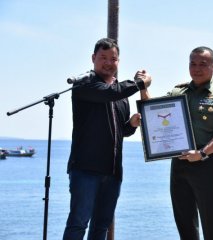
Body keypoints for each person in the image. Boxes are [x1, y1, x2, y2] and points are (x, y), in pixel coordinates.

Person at [63, 38, 151, 240]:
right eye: (103, 57)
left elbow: (122, 132)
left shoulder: (121, 93)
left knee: (101, 226)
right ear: (93, 58)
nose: (108, 63)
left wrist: (132, 124)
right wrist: (139, 83)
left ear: (118, 62)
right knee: (78, 223)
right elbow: (108, 94)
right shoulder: (84, 84)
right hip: (85, 170)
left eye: (113, 59)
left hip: (112, 172)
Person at [167, 46, 213, 240]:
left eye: (202, 64)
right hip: (179, 164)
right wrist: (143, 90)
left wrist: (202, 153)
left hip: (207, 164)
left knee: (212, 225)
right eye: (193, 63)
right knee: (185, 224)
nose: (197, 68)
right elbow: (155, 114)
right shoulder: (178, 92)